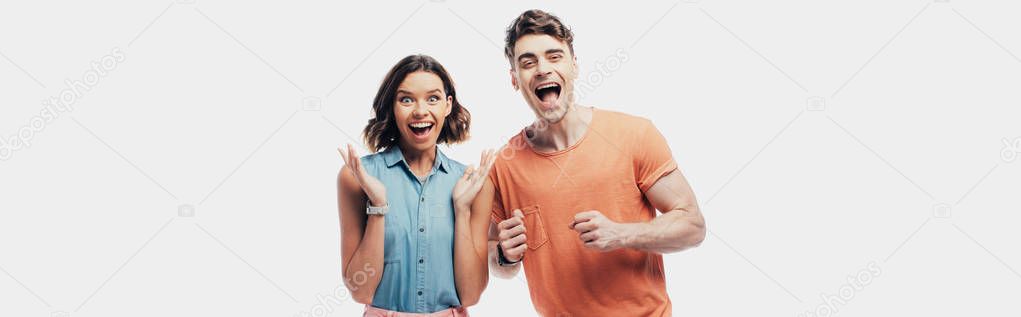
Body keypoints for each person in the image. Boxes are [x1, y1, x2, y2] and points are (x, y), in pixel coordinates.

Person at [466, 10, 707, 316]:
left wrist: (622, 234)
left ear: (574, 65)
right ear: (515, 79)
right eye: (528, 62)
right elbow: (492, 256)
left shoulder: (635, 134)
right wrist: (503, 256)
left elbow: (693, 225)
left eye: (554, 57)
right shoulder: (503, 165)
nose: (542, 69)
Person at [337, 54, 496, 317]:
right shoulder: (357, 177)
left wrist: (463, 210)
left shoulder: (473, 185)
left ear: (447, 105)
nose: (420, 111)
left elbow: (470, 294)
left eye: (432, 98)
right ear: (392, 107)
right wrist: (378, 206)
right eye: (406, 99)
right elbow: (360, 291)